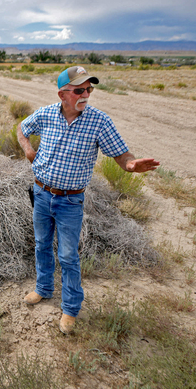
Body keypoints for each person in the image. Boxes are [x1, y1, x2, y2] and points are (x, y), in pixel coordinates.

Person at [17, 66, 159, 334]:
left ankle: (70, 309)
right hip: (41, 192)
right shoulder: (46, 114)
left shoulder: (100, 122)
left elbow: (121, 155)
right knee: (41, 244)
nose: (86, 94)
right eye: (79, 90)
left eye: (89, 89)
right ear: (62, 93)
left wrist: (130, 166)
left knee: (68, 255)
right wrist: (28, 150)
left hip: (70, 201)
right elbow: (21, 129)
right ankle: (43, 289)